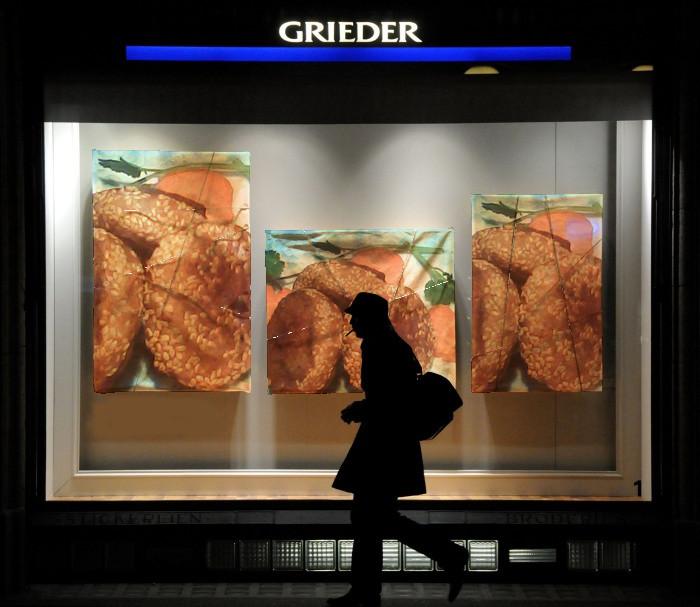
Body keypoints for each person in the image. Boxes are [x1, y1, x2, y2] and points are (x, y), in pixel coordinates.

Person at [329, 292, 469, 607]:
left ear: (370, 318)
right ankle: (367, 591)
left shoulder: (382, 347)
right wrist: (363, 408)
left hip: (384, 445)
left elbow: (390, 402)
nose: (351, 322)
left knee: (369, 518)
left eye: (356, 316)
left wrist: (361, 409)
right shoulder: (389, 345)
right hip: (388, 442)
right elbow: (392, 397)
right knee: (372, 518)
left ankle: (448, 555)